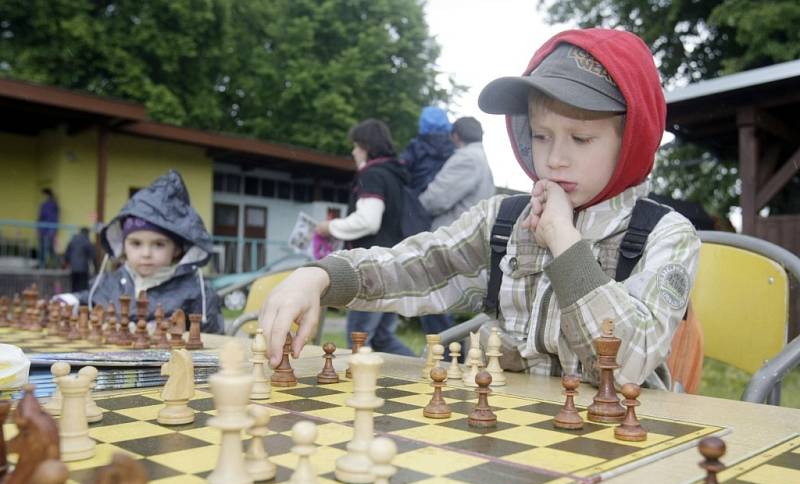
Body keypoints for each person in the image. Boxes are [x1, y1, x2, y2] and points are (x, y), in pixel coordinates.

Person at [259, 28, 699, 390]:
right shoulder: (504, 222)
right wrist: (322, 275)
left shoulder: (667, 236)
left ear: (634, 140)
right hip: (508, 435)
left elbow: (629, 361)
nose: (554, 158)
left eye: (580, 139)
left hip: (623, 449)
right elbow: (420, 266)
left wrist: (564, 239)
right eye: (541, 135)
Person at [56, 170, 223, 333]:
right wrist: (71, 300)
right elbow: (90, 299)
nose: (146, 253)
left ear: (177, 249)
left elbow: (215, 343)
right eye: (136, 243)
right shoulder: (109, 282)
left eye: (158, 244)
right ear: (123, 244)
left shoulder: (197, 292)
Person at [314, 119, 415, 357]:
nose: (353, 151)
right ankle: (427, 370)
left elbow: (369, 221)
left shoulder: (372, 175)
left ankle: (359, 391)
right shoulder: (395, 176)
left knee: (358, 337)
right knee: (381, 338)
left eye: (356, 146)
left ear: (366, 147)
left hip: (373, 268)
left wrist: (331, 227)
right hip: (395, 265)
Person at [416, 116, 496, 340]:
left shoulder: (466, 158)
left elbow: (435, 198)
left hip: (450, 240)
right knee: (438, 309)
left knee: (434, 307)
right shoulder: (481, 158)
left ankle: (447, 362)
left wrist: (416, 202)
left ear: (455, 136)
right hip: (465, 240)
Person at [400, 106, 455, 195]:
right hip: (442, 199)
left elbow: (401, 170)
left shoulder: (415, 146)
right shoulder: (453, 149)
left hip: (415, 198)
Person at [63, 227, 97, 292]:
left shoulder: (73, 240)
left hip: (74, 268)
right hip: (83, 269)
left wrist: (65, 264)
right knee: (83, 289)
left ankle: (74, 300)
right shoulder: (87, 241)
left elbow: (67, 253)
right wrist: (96, 269)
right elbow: (93, 256)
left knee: (74, 287)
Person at [37, 188, 59, 268]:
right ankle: (53, 266)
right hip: (46, 230)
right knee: (47, 249)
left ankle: (45, 266)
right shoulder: (52, 205)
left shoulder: (49, 205)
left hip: (47, 231)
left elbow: (42, 217)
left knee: (46, 249)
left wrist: (53, 231)